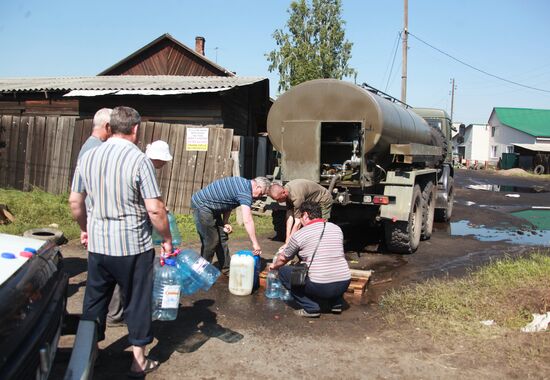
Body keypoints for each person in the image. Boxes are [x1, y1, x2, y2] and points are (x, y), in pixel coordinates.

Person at [69, 106, 171, 376]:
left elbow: (75, 202)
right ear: (135, 129)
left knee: (94, 301)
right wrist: (167, 239)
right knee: (137, 301)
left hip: (99, 247)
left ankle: (89, 354)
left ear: (111, 127)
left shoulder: (88, 157)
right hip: (132, 248)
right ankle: (138, 361)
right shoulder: (139, 161)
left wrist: (86, 228)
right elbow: (155, 209)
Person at [269, 201, 351, 318]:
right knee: (332, 269)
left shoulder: (300, 234)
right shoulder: (336, 229)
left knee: (284, 272)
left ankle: (311, 307)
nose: (300, 220)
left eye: (300, 216)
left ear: (306, 215)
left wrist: (274, 266)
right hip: (344, 282)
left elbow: (283, 258)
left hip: (321, 286)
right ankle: (336, 303)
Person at [191, 176, 271, 273]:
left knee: (222, 237)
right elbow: (248, 220)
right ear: (258, 187)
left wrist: (225, 222)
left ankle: (227, 268)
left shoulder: (243, 183)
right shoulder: (245, 192)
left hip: (211, 207)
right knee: (211, 241)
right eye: (261, 193)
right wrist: (255, 244)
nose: (259, 196)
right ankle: (200, 271)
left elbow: (229, 202)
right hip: (202, 205)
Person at [268, 179, 333, 247]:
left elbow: (298, 222)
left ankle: (323, 245)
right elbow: (290, 215)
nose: (278, 202)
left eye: (278, 199)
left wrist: (290, 242)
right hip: (312, 201)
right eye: (276, 200)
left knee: (321, 224)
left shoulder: (296, 197)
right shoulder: (287, 190)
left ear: (284, 192)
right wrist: (287, 238)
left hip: (323, 198)